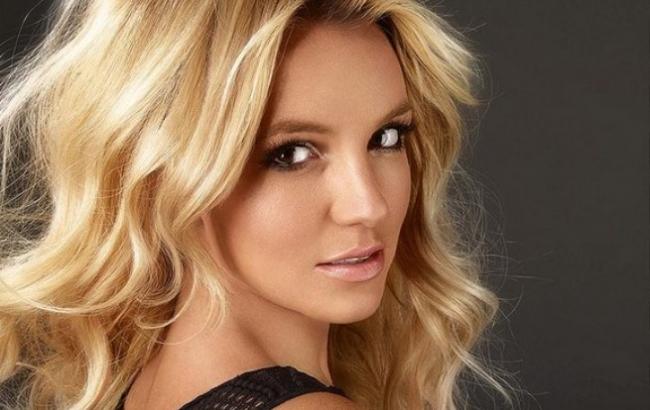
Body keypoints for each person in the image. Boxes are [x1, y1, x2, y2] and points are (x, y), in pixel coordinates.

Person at [0, 1, 518, 409]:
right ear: (168, 174)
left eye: (386, 137)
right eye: (291, 154)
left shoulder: (147, 389)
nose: (368, 205)